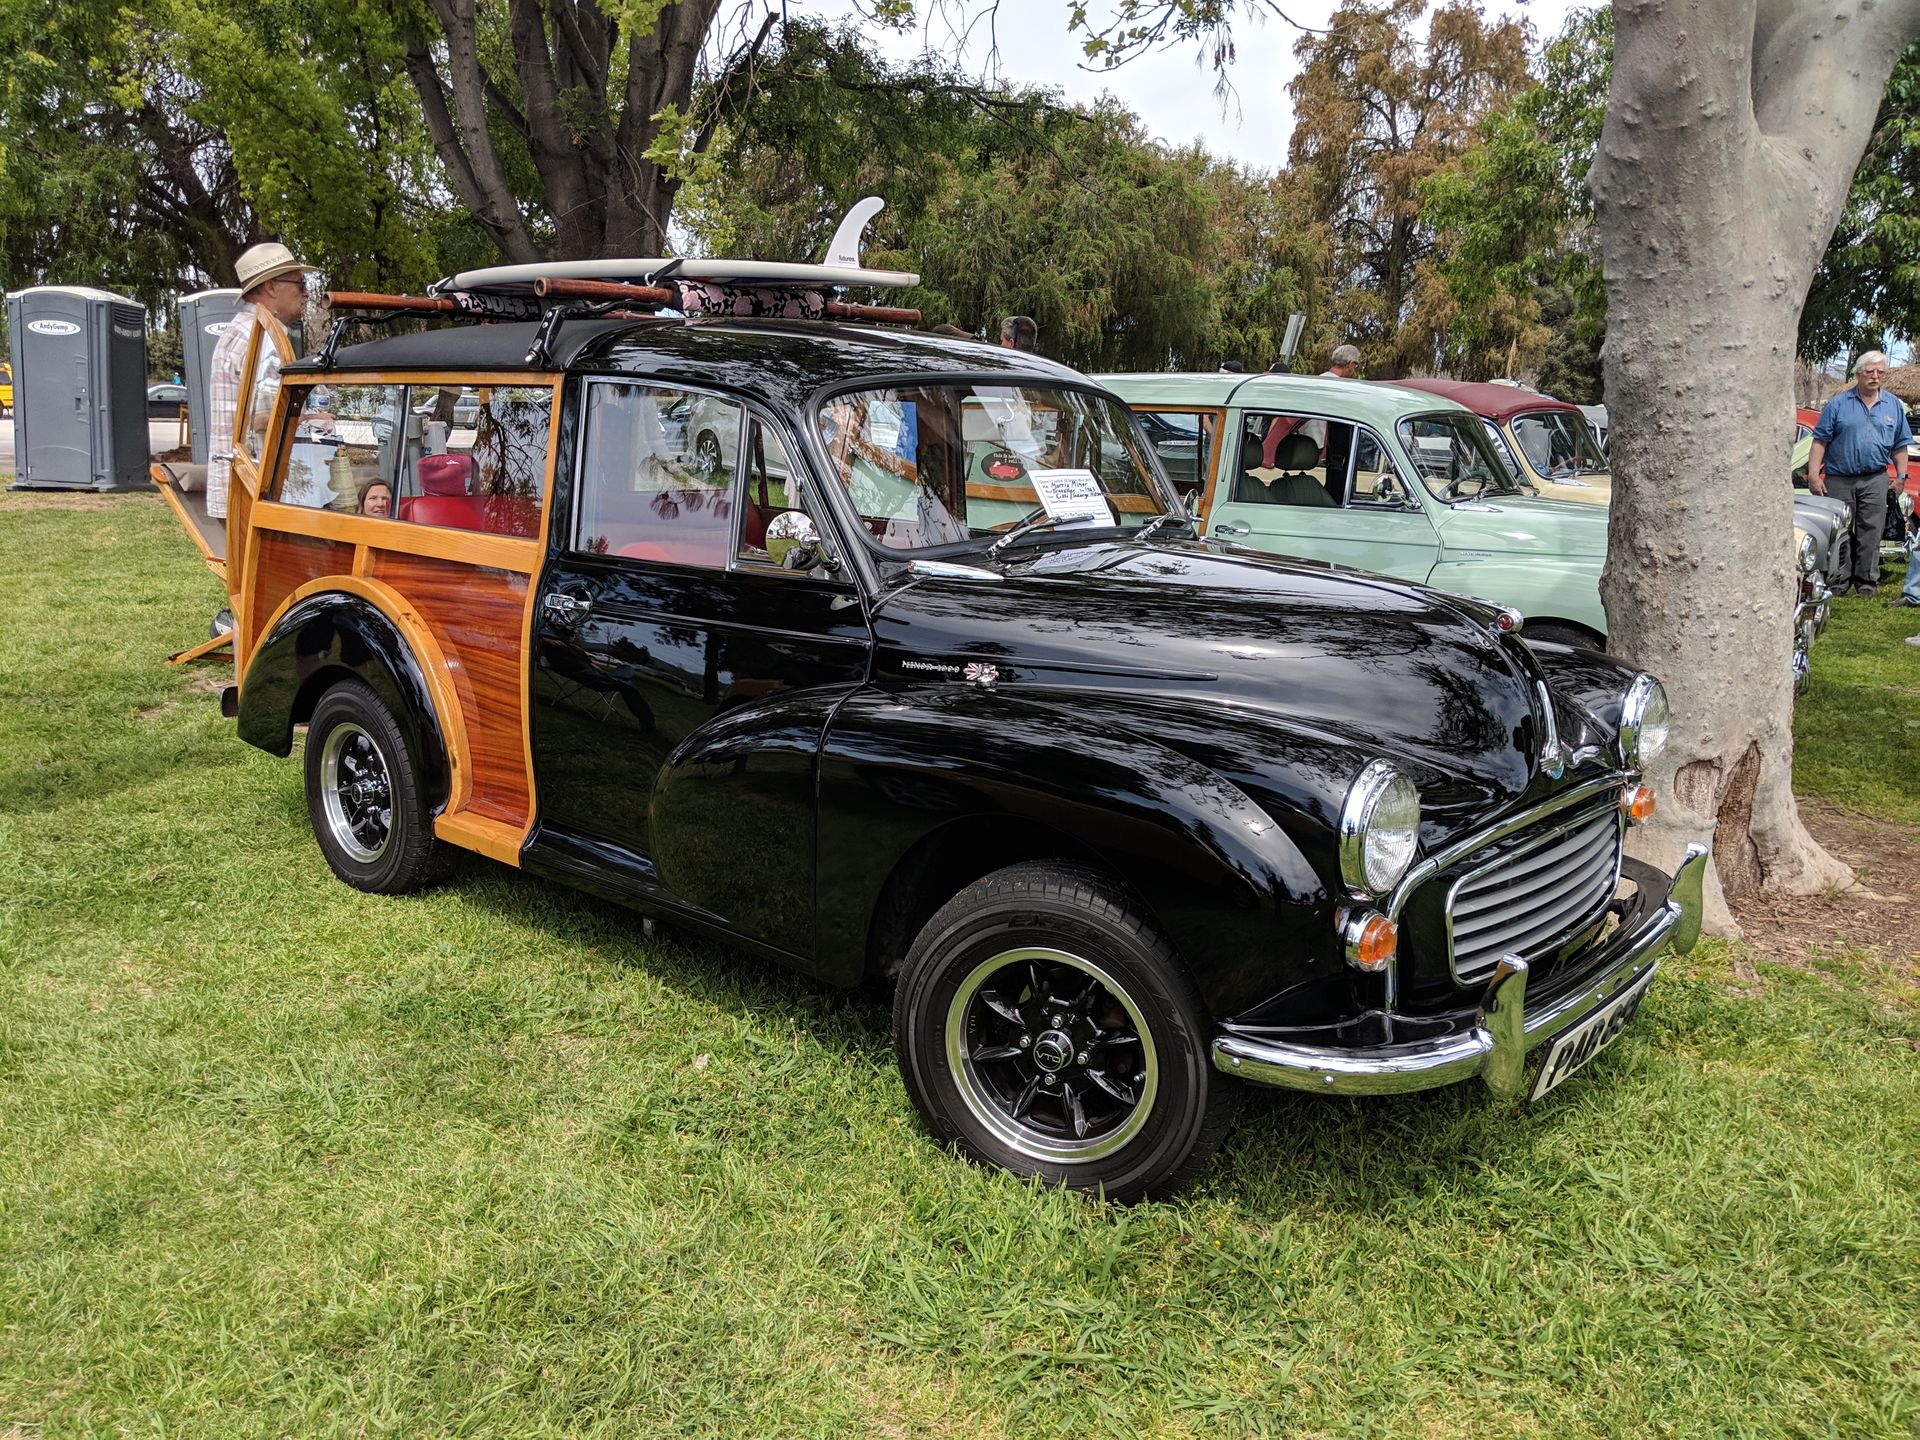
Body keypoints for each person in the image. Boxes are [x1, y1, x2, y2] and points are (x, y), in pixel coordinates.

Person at [206, 242, 312, 521]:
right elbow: (262, 419)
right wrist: (315, 419)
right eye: (300, 284)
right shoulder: (266, 336)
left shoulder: (240, 329)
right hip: (253, 491)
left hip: (235, 486)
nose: (307, 292)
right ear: (271, 287)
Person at [1808, 350, 1911, 596]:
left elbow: (1900, 445)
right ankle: (1838, 582)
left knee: (1871, 532)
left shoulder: (1893, 406)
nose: (1875, 377)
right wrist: (1813, 475)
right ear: (1858, 374)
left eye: (1880, 372)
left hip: (1876, 479)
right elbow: (1820, 441)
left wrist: (1901, 476)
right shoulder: (1838, 404)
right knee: (1839, 531)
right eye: (1869, 372)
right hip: (1839, 478)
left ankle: (1866, 583)